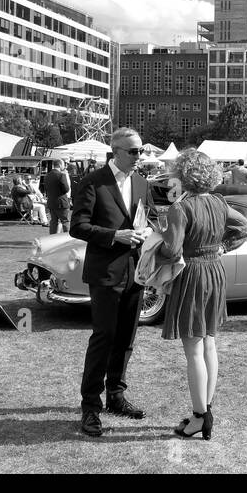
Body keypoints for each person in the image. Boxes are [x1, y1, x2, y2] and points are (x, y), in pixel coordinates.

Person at [154, 149, 247, 440]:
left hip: (193, 274)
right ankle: (205, 409)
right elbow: (244, 227)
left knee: (194, 348)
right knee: (208, 343)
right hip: (214, 271)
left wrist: (154, 243)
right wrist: (223, 247)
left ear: (183, 175)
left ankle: (199, 417)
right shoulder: (219, 203)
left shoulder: (181, 208)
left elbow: (171, 251)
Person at [70, 128, 156, 437]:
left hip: (135, 271)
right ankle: (90, 407)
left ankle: (116, 396)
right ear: (115, 151)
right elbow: (77, 227)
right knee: (104, 338)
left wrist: (148, 232)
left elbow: (150, 217)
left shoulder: (142, 183)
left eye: (141, 151)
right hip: (105, 272)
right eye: (134, 151)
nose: (139, 157)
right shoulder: (92, 182)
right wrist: (113, 236)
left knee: (126, 338)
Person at [43, 159, 72, 235]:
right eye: (63, 165)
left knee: (53, 221)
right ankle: (67, 237)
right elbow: (66, 189)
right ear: (59, 165)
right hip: (61, 202)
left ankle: (52, 238)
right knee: (65, 221)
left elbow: (46, 188)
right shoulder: (61, 175)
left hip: (51, 202)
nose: (64, 166)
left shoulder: (47, 176)